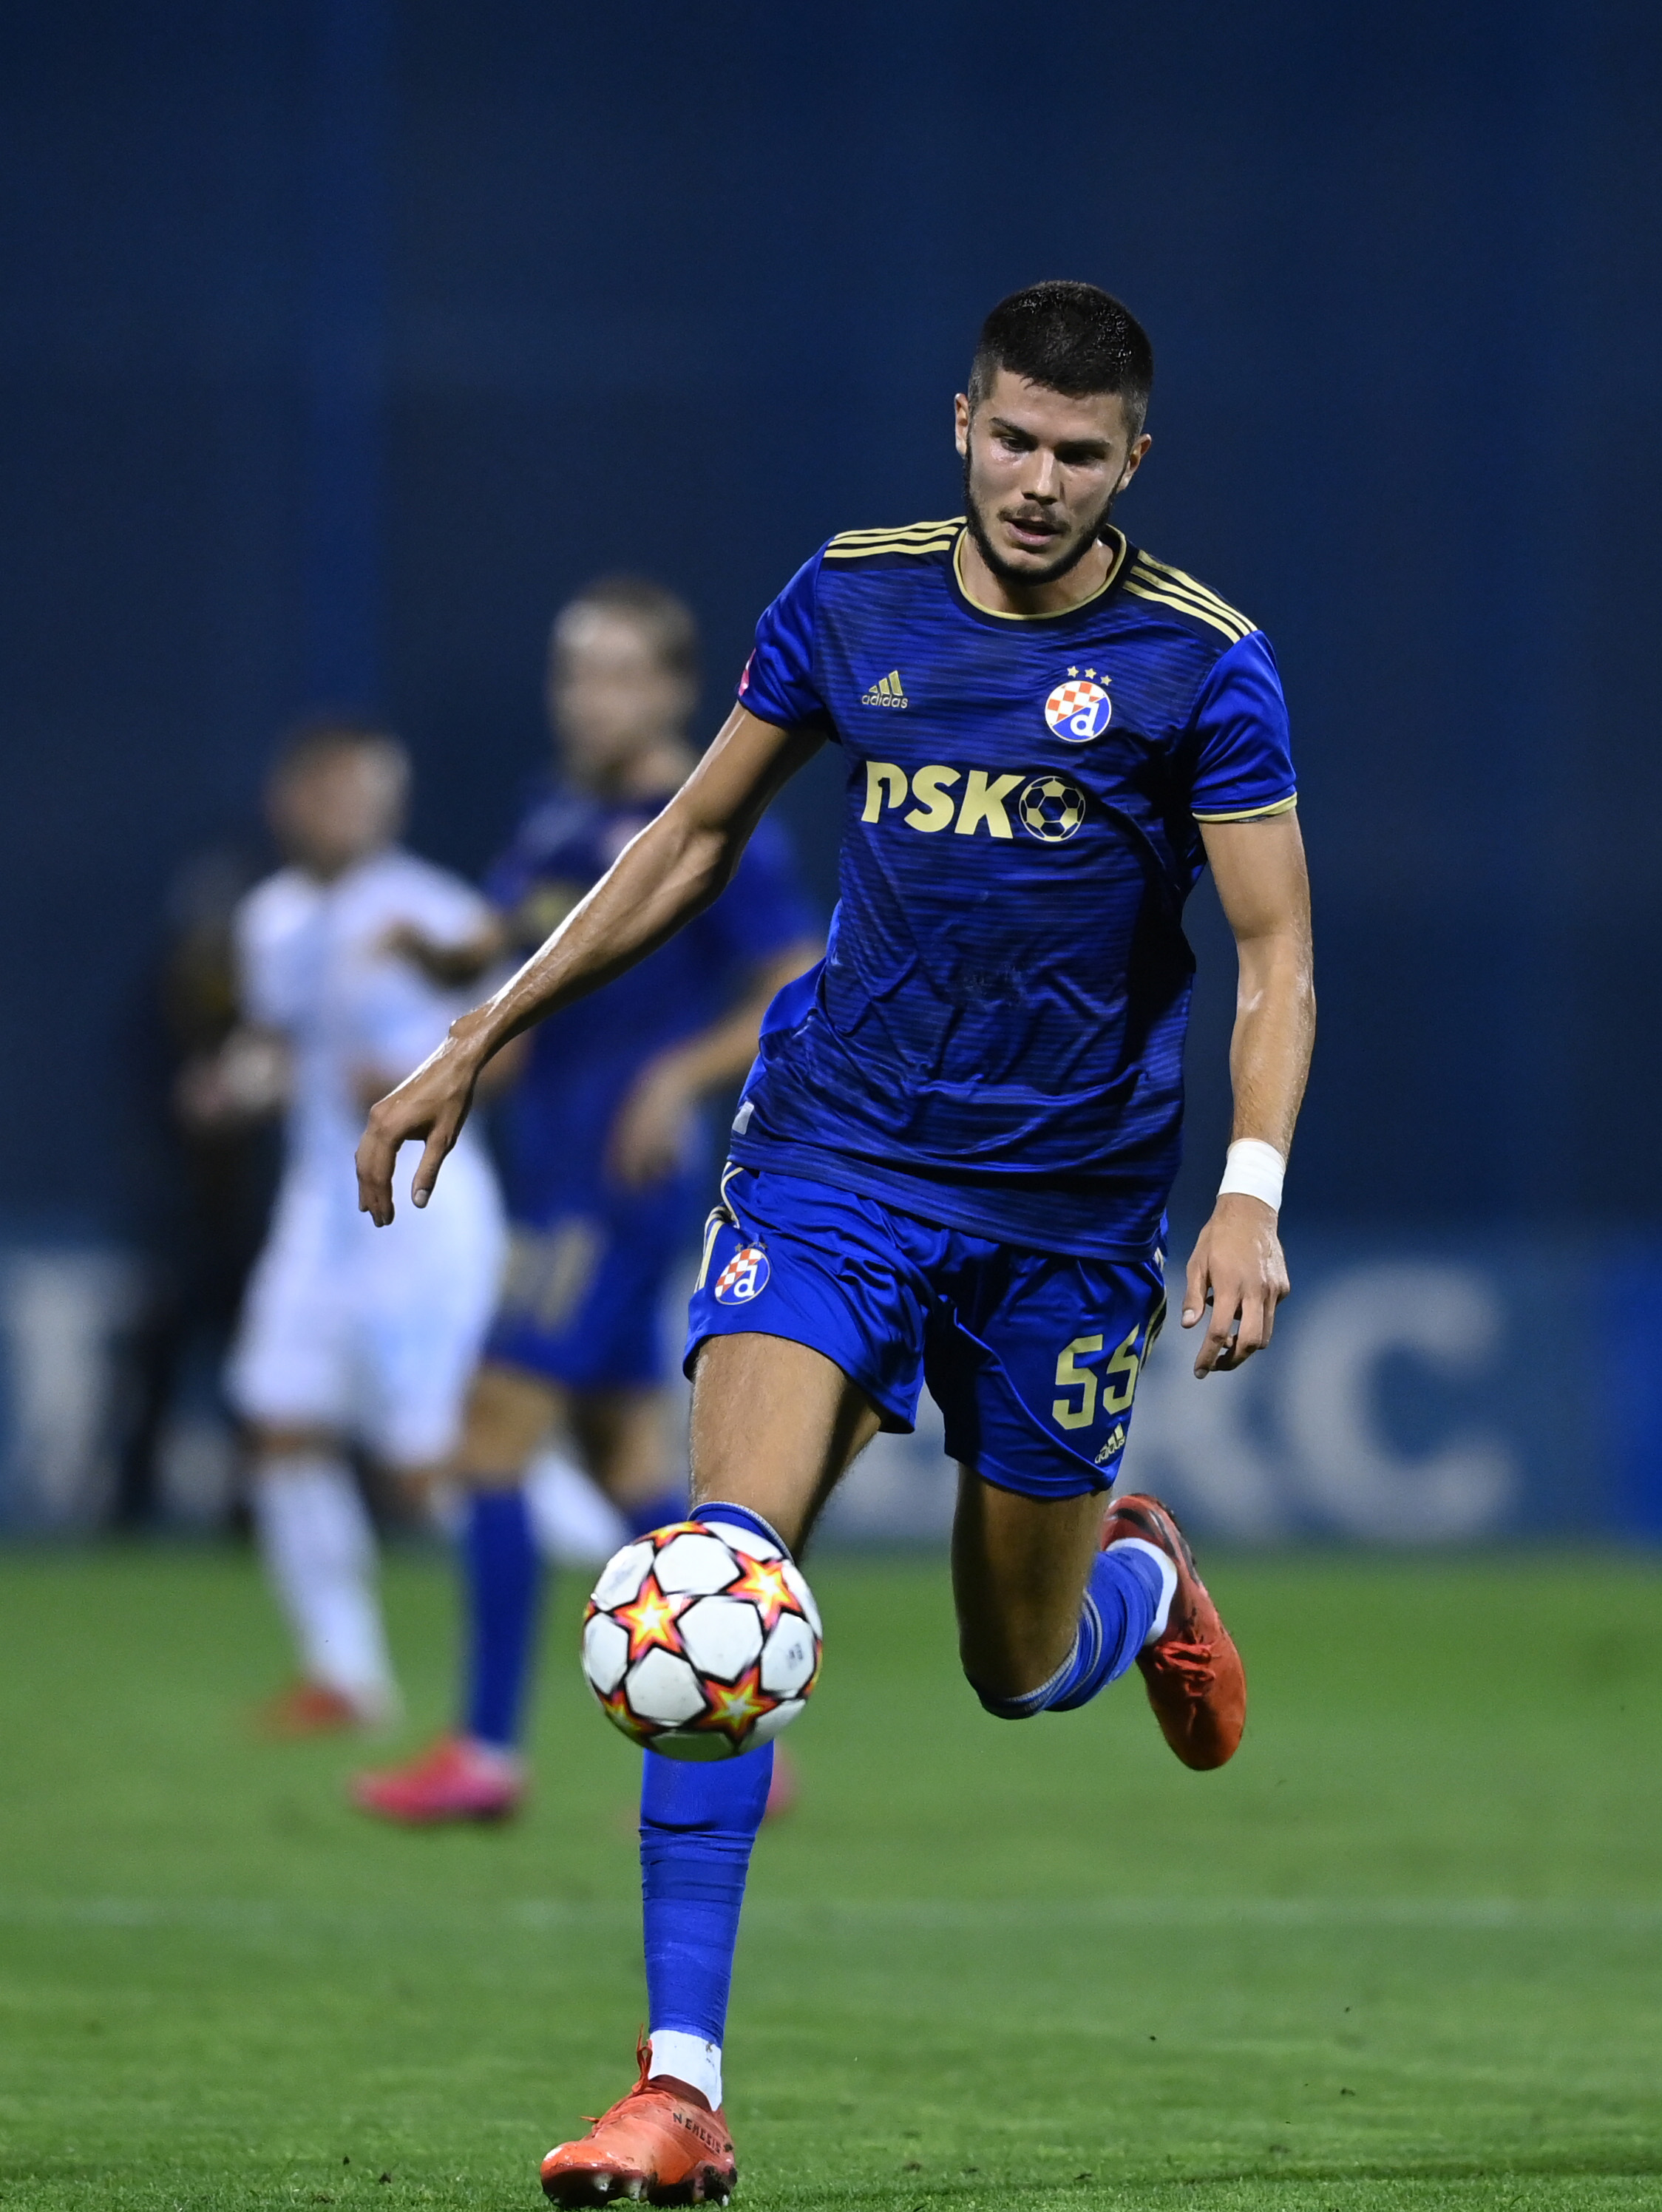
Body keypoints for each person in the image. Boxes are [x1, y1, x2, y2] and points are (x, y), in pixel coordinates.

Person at [356, 282, 1315, 2203]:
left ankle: (1131, 1592)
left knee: (1013, 1665)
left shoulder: (1202, 665)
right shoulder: (852, 600)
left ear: (1135, 462)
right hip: (835, 1170)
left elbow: (1274, 948)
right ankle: (678, 2091)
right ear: (962, 423)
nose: (1038, 483)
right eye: (1012, 440)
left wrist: (1249, 1190)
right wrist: (483, 1032)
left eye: (1080, 454)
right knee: (715, 1583)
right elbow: (696, 838)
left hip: (1063, 1219)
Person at [351, 579, 819, 1821]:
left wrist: (673, 1075)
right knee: (620, 1457)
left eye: (618, 672)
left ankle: (484, 1754)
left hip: (606, 1188)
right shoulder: (561, 816)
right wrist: (441, 963)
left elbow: (797, 978)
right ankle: (749, 1745)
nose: (589, 696)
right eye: (575, 670)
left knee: (486, 1438)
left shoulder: (712, 825)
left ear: (675, 690)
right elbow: (517, 939)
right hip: (552, 1165)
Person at [205, 719, 509, 1731]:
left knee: (436, 1471)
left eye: (371, 793)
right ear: (289, 801)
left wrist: (429, 1082)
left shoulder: (439, 912)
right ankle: (346, 1675)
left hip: (422, 1215)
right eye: (333, 792)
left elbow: (514, 1055)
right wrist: (237, 1084)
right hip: (319, 1215)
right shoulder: (272, 919)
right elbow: (277, 1047)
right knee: (280, 1423)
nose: (354, 811)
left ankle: (656, 1599)